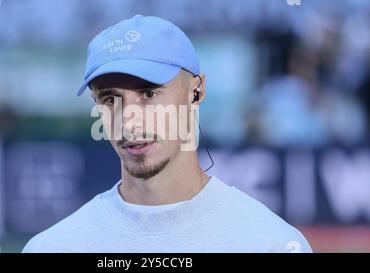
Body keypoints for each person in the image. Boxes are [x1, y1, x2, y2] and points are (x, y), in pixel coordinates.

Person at [23, 15, 312, 253]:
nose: (129, 121)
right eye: (110, 99)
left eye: (148, 94)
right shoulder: (53, 247)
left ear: (196, 91)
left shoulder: (270, 244)